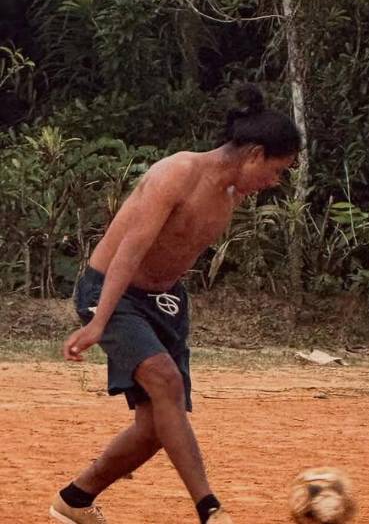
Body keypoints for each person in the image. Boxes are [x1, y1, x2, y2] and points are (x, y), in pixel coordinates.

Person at [51, 85, 301, 524]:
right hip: (111, 290)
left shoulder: (229, 195)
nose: (274, 183)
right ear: (254, 154)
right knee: (165, 382)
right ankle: (210, 510)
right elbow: (129, 250)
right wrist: (97, 322)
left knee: (154, 429)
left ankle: (74, 500)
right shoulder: (178, 172)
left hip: (165, 302)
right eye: (277, 171)